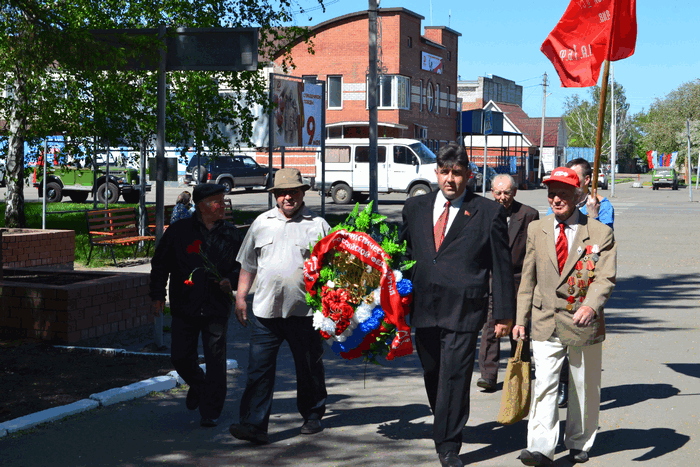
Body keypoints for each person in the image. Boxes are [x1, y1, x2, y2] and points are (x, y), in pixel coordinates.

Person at [400, 143, 515, 467]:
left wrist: (504, 315)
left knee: (455, 375)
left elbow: (501, 266)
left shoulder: (488, 212)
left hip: (465, 309)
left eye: (457, 173)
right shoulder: (416, 207)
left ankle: (449, 445)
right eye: (445, 172)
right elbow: (401, 254)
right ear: (436, 173)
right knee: (433, 371)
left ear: (468, 175)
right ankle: (445, 419)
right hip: (423, 306)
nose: (450, 179)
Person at [513, 167, 616, 466]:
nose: (556, 199)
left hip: (583, 321)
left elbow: (605, 277)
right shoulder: (537, 229)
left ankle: (579, 440)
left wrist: (591, 305)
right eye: (551, 193)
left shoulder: (599, 232)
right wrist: (521, 320)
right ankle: (540, 446)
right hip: (545, 319)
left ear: (579, 196)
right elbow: (527, 279)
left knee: (583, 384)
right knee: (544, 382)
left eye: (563, 194)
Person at [229, 168, 329, 446]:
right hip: (265, 312)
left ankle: (312, 415)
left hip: (305, 313)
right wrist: (240, 297)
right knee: (259, 371)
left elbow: (332, 270)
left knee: (308, 367)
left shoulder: (318, 225)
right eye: (283, 192)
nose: (288, 197)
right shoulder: (261, 223)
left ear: (302, 193)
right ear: (275, 195)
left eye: (294, 192)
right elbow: (248, 264)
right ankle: (254, 425)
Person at [149, 184, 243, 428]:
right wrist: (157, 295)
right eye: (217, 201)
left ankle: (210, 411)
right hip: (185, 304)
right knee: (180, 357)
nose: (223, 205)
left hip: (216, 306)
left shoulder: (231, 234)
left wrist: (230, 280)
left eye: (223, 201)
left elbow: (243, 266)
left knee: (215, 359)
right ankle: (200, 385)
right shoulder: (180, 231)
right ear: (202, 205)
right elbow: (160, 264)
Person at [548, 158, 615, 407]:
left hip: (584, 282)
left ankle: (577, 390)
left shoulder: (603, 206)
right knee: (556, 340)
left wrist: (593, 215)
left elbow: (602, 245)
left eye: (572, 179)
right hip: (559, 282)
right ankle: (561, 384)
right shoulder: (559, 201)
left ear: (586, 181)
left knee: (579, 342)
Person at [476, 174, 539, 391]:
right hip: (493, 279)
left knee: (520, 327)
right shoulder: (484, 211)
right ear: (492, 192)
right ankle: (488, 375)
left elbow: (534, 250)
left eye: (507, 193)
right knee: (491, 327)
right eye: (498, 193)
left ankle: (519, 370)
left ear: (515, 192)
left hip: (519, 279)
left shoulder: (528, 214)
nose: (502, 197)